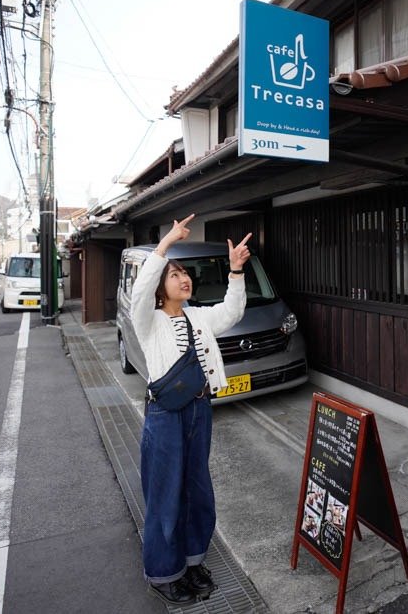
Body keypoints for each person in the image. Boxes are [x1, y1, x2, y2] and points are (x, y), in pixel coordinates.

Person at [131, 213, 251, 605]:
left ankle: (194, 559)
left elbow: (232, 312)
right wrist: (164, 247)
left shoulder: (199, 317)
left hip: (200, 411)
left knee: (198, 489)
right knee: (165, 492)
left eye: (186, 275)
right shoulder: (147, 321)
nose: (185, 280)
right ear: (161, 287)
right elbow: (140, 290)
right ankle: (165, 571)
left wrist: (235, 272)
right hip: (165, 415)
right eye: (175, 275)